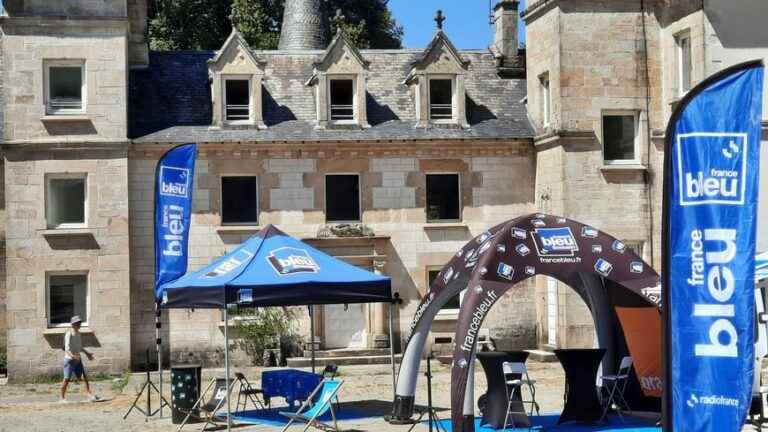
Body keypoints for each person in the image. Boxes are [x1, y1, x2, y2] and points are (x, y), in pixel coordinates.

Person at [60, 315, 101, 403]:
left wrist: (87, 353)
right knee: (66, 379)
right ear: (73, 324)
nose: (80, 324)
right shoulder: (69, 333)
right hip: (69, 360)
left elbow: (80, 347)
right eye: (78, 323)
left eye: (80, 323)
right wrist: (72, 356)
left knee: (83, 377)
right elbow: (67, 348)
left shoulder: (78, 334)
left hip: (77, 359)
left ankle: (89, 395)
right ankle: (62, 398)